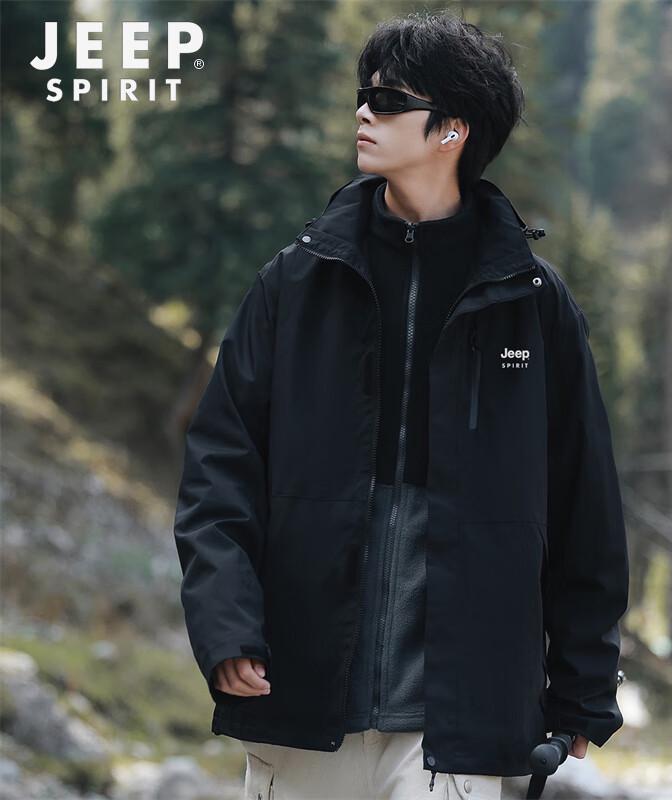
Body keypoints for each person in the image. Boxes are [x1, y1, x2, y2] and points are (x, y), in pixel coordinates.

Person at [173, 9, 629, 800]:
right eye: (363, 95)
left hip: (461, 713)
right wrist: (225, 623)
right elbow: (220, 468)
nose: (363, 112)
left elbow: (583, 500)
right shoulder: (295, 282)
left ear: (453, 129)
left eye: (387, 101)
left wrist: (583, 685)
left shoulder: (532, 304)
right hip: (303, 693)